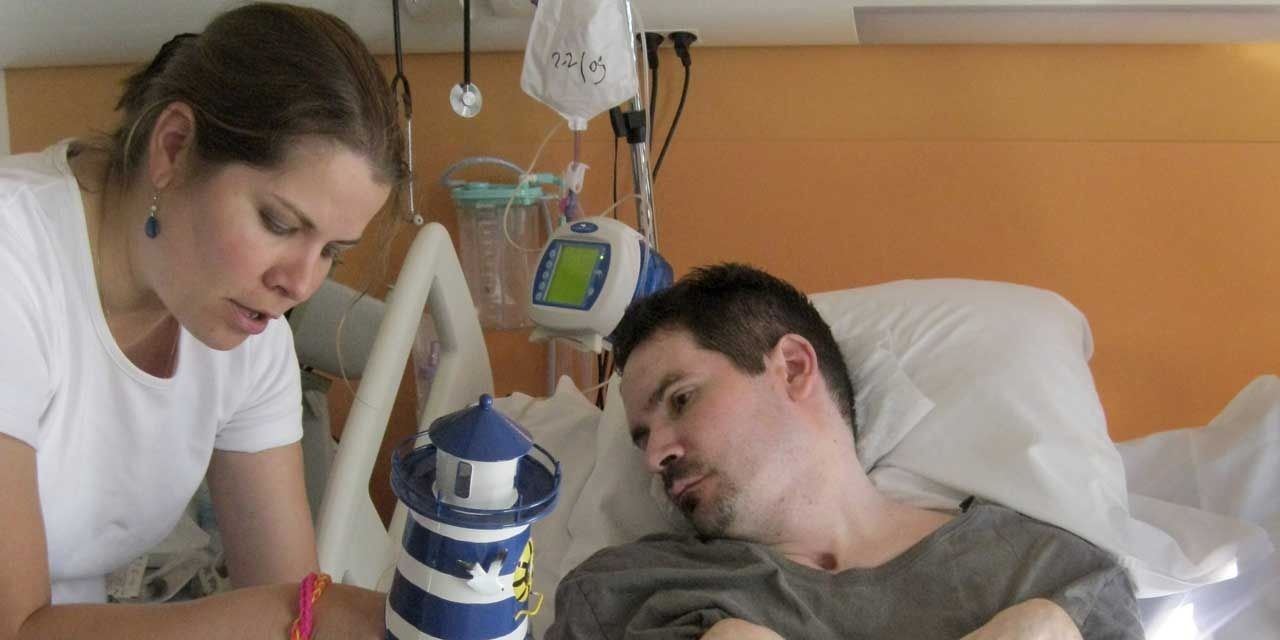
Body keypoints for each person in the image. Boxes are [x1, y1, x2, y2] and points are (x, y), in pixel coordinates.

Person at [0, 4, 405, 639]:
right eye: (278, 223)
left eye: (332, 251)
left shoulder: (249, 334)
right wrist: (315, 614)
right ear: (173, 147)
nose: (300, 284)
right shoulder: (15, 265)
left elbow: (290, 606)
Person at [546, 264, 1145, 640]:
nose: (655, 456)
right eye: (642, 437)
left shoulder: (1050, 572)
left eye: (680, 400)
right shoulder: (625, 590)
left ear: (793, 367)